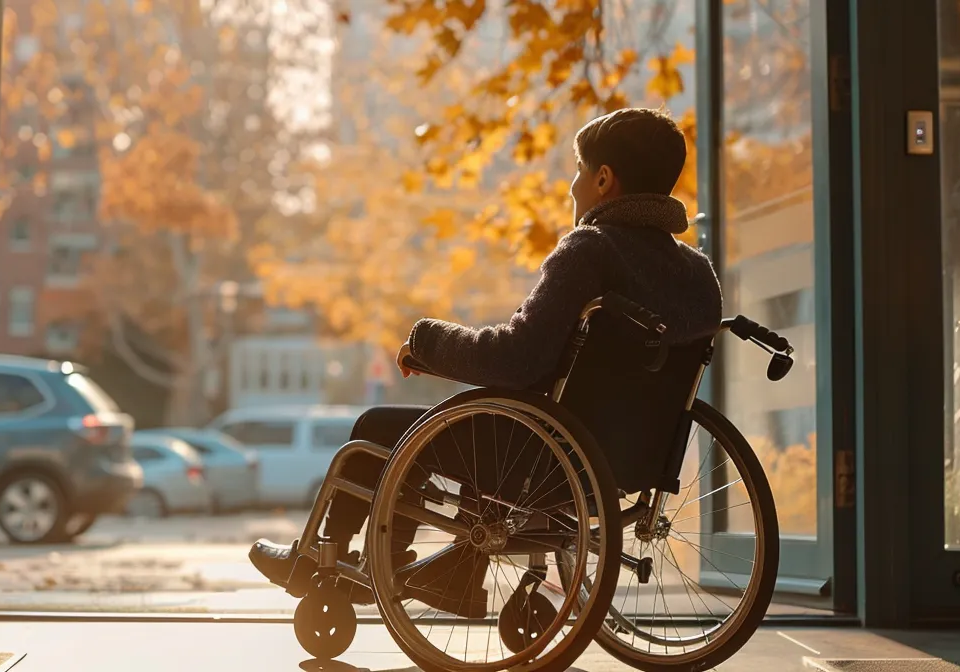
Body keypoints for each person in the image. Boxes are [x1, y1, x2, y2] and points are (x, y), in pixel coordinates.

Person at [247, 107, 724, 606]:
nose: (572, 187)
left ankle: (327, 563)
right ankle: (452, 576)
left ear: (604, 179)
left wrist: (429, 342)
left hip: (544, 459)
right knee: (496, 409)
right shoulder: (698, 275)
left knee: (376, 426)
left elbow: (517, 358)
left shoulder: (590, 249)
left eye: (579, 173)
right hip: (628, 462)